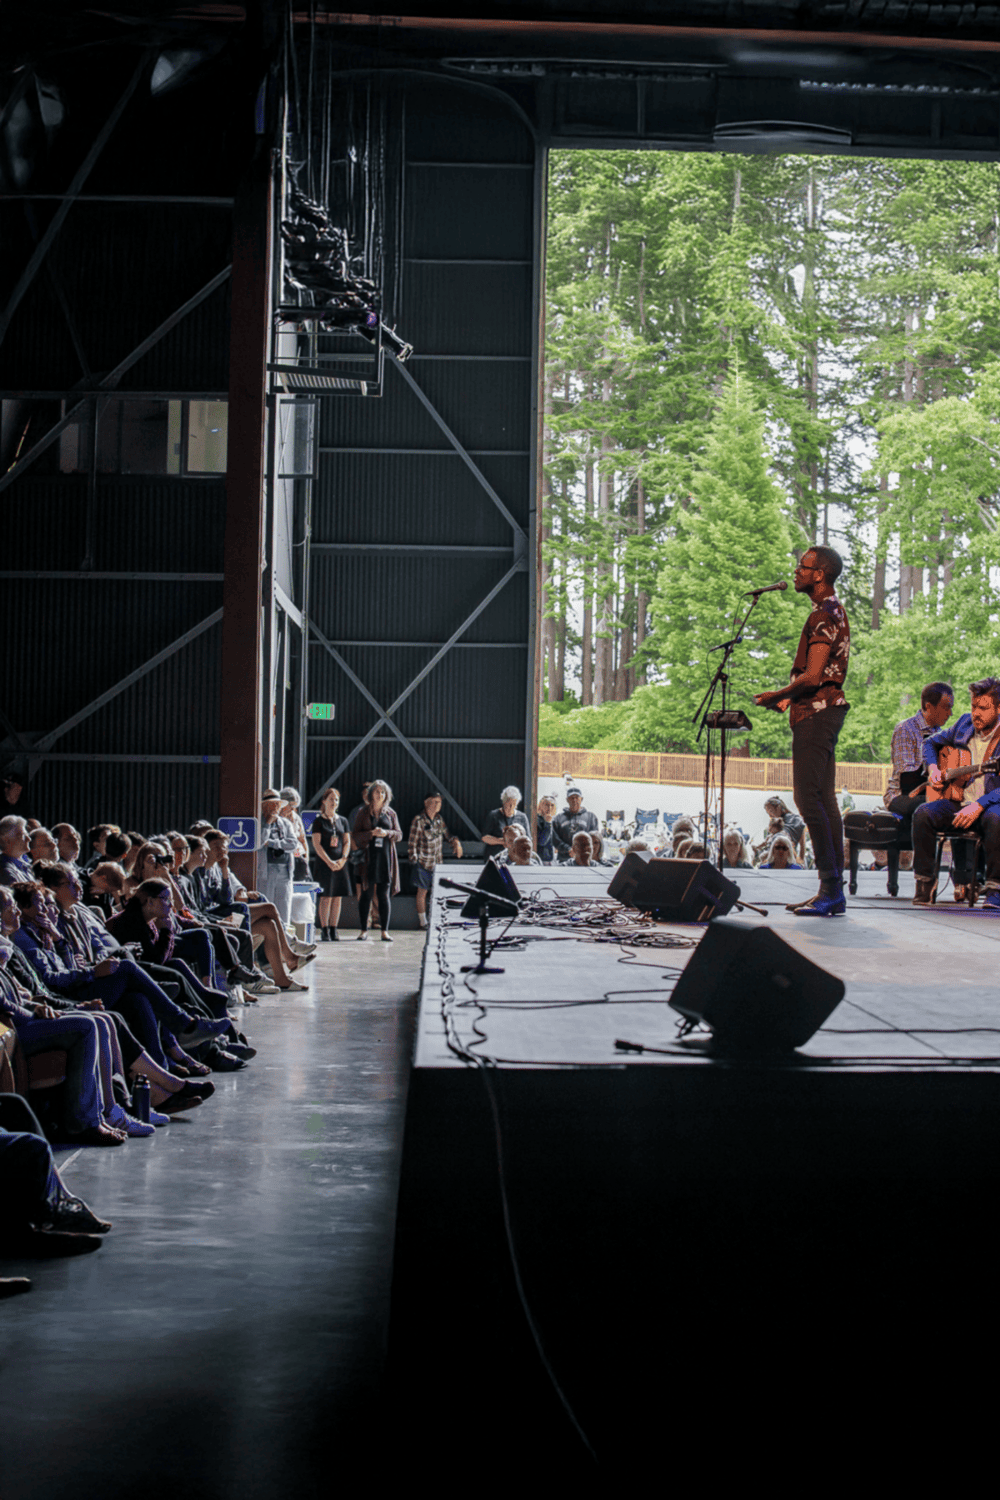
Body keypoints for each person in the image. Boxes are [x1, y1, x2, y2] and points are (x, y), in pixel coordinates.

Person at [753, 545, 850, 917]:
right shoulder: (829, 611)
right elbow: (817, 676)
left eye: (803, 566)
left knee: (808, 800)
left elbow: (813, 675)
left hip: (818, 714)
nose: (796, 571)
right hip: (820, 711)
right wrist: (789, 698)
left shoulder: (824, 614)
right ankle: (831, 891)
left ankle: (831, 890)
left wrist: (778, 694)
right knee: (823, 799)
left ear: (819, 574)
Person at [911, 677, 1000, 908]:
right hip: (957, 801)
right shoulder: (963, 724)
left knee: (997, 818)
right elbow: (930, 744)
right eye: (973, 706)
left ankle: (995, 890)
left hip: (990, 807)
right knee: (923, 814)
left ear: (999, 708)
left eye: (983, 708)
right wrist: (932, 769)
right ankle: (925, 883)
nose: (975, 713)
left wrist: (979, 804)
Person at [884, 682, 955, 831]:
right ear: (928, 706)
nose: (950, 713)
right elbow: (907, 780)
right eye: (946, 707)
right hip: (900, 796)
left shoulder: (941, 733)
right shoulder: (906, 728)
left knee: (957, 805)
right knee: (936, 806)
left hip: (930, 792)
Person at [352, 780, 402, 943]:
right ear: (371, 794)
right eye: (377, 792)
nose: (380, 795)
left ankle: (384, 931)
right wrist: (371, 834)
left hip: (385, 858)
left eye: (383, 792)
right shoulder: (363, 812)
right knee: (366, 894)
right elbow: (356, 835)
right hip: (368, 858)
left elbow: (399, 834)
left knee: (383, 895)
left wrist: (386, 833)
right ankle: (363, 930)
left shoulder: (391, 813)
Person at [407, 791, 462, 930]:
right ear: (427, 803)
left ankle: (436, 920)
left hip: (438, 864)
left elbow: (447, 835)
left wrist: (455, 842)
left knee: (437, 893)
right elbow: (412, 843)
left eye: (439, 802)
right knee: (422, 892)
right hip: (424, 862)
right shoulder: (418, 820)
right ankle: (423, 922)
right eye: (435, 802)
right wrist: (415, 860)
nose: (438, 805)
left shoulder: (439, 820)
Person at [312, 788, 352, 941]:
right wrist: (329, 861)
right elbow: (317, 844)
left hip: (340, 864)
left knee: (337, 897)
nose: (334, 802)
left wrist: (343, 859)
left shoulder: (343, 821)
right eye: (331, 799)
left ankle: (334, 928)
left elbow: (347, 841)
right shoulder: (318, 821)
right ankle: (324, 929)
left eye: (336, 799)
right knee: (326, 897)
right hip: (324, 864)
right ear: (324, 801)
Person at [259, 789, 297, 928]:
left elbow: (293, 844)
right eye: (271, 804)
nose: (275, 807)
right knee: (266, 905)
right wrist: (268, 823)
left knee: (284, 907)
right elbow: (260, 842)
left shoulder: (285, 823)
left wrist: (274, 844)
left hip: (284, 870)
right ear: (264, 806)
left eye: (277, 804)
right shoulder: (260, 822)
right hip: (266, 869)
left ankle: (285, 941)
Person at [552, 787, 599, 862]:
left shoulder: (591, 817)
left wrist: (581, 850)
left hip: (584, 860)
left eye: (577, 797)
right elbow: (554, 838)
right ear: (567, 800)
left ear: (581, 799)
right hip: (563, 859)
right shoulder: (558, 818)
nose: (574, 800)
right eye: (571, 798)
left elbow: (594, 838)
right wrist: (568, 849)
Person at [535, 796, 557, 864]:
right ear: (540, 806)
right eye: (547, 805)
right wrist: (547, 823)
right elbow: (542, 841)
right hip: (541, 859)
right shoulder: (536, 820)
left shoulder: (554, 820)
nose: (549, 808)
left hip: (552, 859)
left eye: (552, 805)